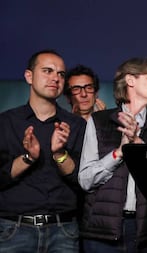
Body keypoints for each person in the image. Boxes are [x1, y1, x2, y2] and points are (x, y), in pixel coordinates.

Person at [78, 57, 147, 253]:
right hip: (102, 233)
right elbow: (86, 180)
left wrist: (140, 146)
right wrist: (119, 152)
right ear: (130, 80)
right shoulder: (99, 121)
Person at [0, 49, 86, 252]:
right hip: (14, 230)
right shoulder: (5, 122)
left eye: (61, 74)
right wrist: (29, 157)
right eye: (47, 71)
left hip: (63, 231)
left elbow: (81, 179)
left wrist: (59, 154)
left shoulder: (76, 125)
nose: (55, 78)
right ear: (29, 76)